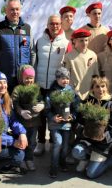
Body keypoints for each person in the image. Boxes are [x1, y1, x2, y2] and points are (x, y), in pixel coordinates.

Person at [72, 76, 112, 179]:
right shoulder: (86, 104)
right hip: (87, 141)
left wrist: (104, 137)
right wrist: (83, 131)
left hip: (103, 145)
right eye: (97, 86)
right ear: (92, 89)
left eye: (103, 86)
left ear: (107, 88)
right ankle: (86, 159)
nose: (100, 89)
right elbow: (77, 123)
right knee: (76, 152)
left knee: (91, 174)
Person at [34, 14, 69, 156]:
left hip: (56, 86)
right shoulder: (40, 41)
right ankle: (41, 142)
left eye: (57, 24)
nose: (54, 26)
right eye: (51, 23)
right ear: (47, 24)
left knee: (57, 114)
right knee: (41, 116)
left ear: (60, 25)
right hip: (41, 84)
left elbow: (68, 65)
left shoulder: (66, 43)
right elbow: (35, 61)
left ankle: (55, 143)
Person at [0, 0, 35, 93]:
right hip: (4, 80)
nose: (15, 12)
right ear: (6, 10)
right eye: (12, 9)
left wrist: (31, 73)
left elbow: (32, 53)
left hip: (24, 80)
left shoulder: (27, 28)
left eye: (17, 9)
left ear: (20, 10)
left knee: (23, 106)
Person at [45, 67, 80, 178]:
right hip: (55, 123)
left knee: (65, 146)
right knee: (58, 143)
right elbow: (47, 109)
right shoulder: (51, 91)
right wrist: (52, 117)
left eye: (67, 78)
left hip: (66, 124)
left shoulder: (71, 91)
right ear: (57, 79)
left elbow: (76, 107)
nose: (65, 81)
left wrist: (72, 116)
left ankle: (62, 162)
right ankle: (53, 167)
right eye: (62, 78)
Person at [12, 65, 44, 171]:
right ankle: (21, 160)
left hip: (34, 122)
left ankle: (29, 159)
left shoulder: (36, 88)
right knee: (22, 142)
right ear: (22, 78)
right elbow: (15, 103)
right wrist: (21, 111)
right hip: (22, 123)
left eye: (31, 78)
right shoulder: (18, 89)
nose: (29, 80)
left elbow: (41, 100)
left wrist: (41, 105)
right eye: (26, 78)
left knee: (32, 142)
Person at [64, 28, 99, 100]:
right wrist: (71, 89)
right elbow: (66, 76)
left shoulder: (92, 55)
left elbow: (96, 75)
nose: (84, 43)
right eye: (81, 40)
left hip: (90, 93)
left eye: (86, 40)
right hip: (75, 93)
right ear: (75, 41)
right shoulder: (69, 56)